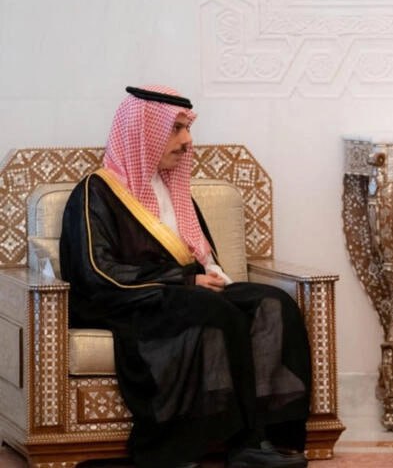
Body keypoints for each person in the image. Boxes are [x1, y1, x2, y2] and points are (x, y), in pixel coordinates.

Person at [59, 86, 311, 468]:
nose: (187, 140)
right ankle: (233, 443)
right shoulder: (97, 191)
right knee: (212, 309)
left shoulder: (173, 188)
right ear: (144, 132)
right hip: (132, 299)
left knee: (273, 303)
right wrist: (184, 281)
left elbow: (201, 253)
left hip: (186, 293)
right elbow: (97, 271)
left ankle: (273, 438)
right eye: (176, 128)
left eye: (187, 129)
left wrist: (208, 274)